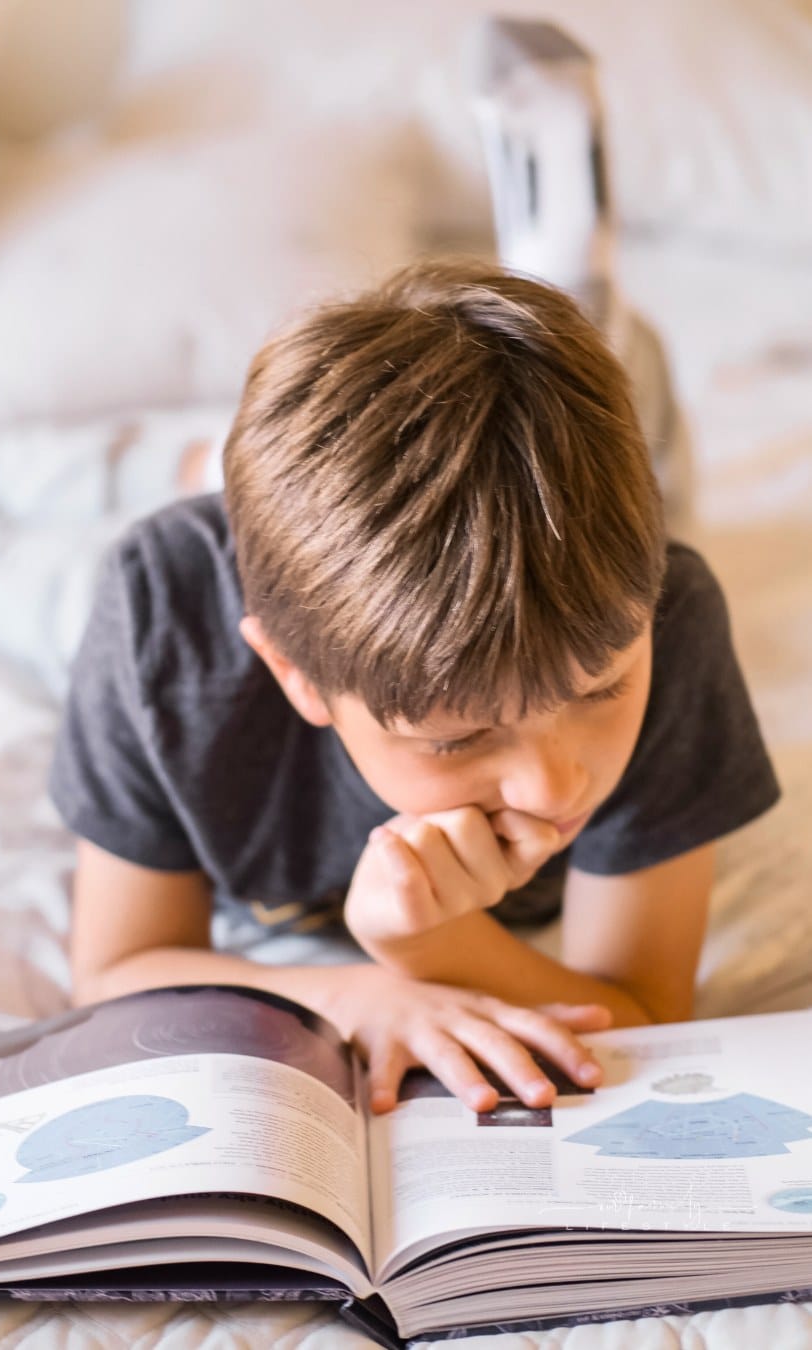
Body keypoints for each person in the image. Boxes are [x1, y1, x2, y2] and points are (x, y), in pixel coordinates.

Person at [49, 259, 779, 1115]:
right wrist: (352, 995)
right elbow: (114, 970)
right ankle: (143, 463)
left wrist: (430, 944)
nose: (557, 784)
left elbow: (643, 1013)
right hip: (116, 581)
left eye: (601, 691)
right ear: (297, 677)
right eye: (457, 739)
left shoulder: (665, 615)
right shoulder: (158, 621)